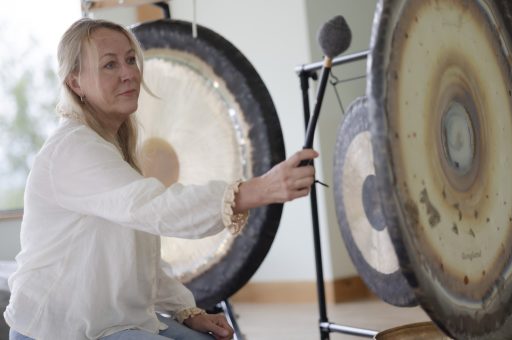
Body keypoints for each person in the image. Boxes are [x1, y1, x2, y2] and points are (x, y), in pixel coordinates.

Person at [3, 18, 318, 340]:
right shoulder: (73, 149)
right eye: (109, 65)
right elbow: (156, 209)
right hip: (58, 329)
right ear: (75, 84)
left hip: (116, 320)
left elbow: (140, 256)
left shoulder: (114, 147)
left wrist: (186, 310)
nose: (128, 73)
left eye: (130, 59)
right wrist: (255, 190)